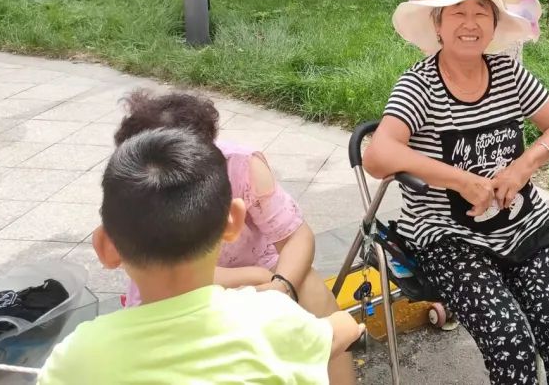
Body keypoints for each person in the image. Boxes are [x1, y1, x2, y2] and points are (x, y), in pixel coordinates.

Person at [363, 0, 549, 385]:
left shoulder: (507, 72)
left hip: (521, 230)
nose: (470, 24)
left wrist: (523, 167)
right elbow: (378, 155)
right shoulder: (419, 85)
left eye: (481, 12)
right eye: (458, 13)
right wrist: (459, 180)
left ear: (494, 23)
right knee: (511, 342)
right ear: (437, 24)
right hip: (451, 241)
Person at [37, 127, 362, 384]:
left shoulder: (76, 355)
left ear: (105, 248)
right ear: (232, 222)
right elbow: (341, 330)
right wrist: (340, 324)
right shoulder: (272, 318)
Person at [112, 89, 356, 385]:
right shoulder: (138, 187)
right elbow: (173, 275)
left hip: (263, 270)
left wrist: (281, 285)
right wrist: (251, 277)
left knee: (313, 292)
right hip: (177, 290)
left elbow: (296, 236)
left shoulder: (242, 167)